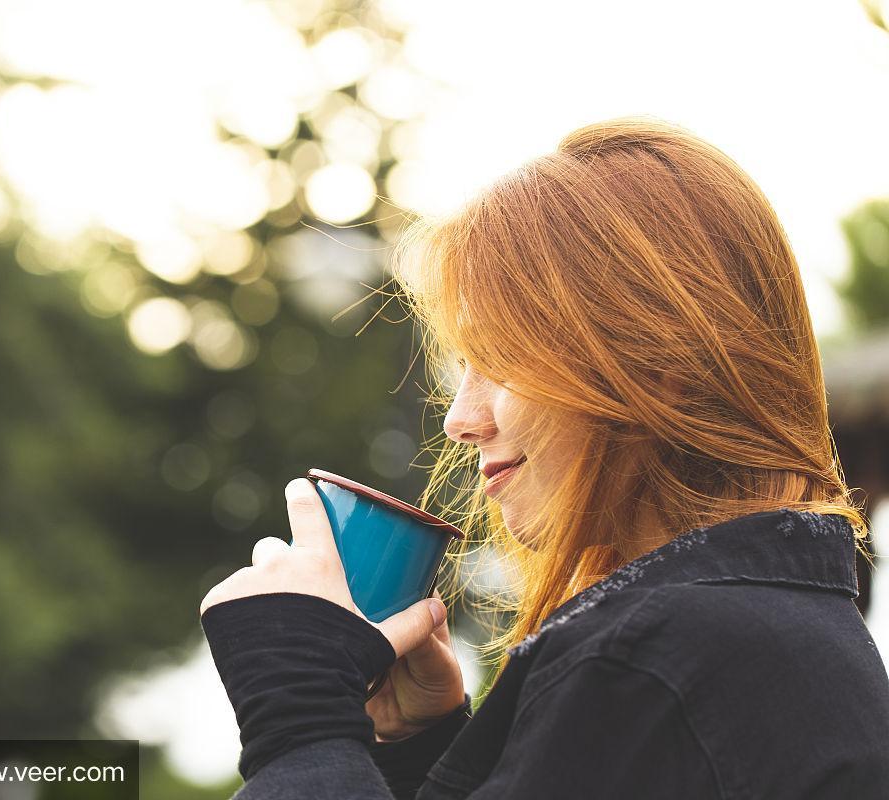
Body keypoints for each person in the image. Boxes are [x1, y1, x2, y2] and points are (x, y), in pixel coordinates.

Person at [198, 116, 889, 799]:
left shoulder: (649, 662)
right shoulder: (775, 631)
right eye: (464, 363)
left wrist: (298, 727)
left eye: (503, 358)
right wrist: (424, 751)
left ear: (659, 363)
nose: (461, 421)